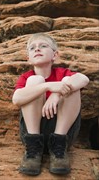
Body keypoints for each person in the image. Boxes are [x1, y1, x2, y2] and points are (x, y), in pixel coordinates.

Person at [12, 33, 89, 176]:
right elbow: (16, 99)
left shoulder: (62, 73)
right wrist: (47, 87)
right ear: (28, 58)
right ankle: (33, 151)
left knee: (69, 82)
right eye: (32, 48)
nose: (37, 49)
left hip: (63, 135)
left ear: (55, 55)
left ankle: (58, 150)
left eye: (43, 46)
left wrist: (57, 93)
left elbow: (83, 79)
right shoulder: (26, 77)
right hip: (33, 134)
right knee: (36, 82)